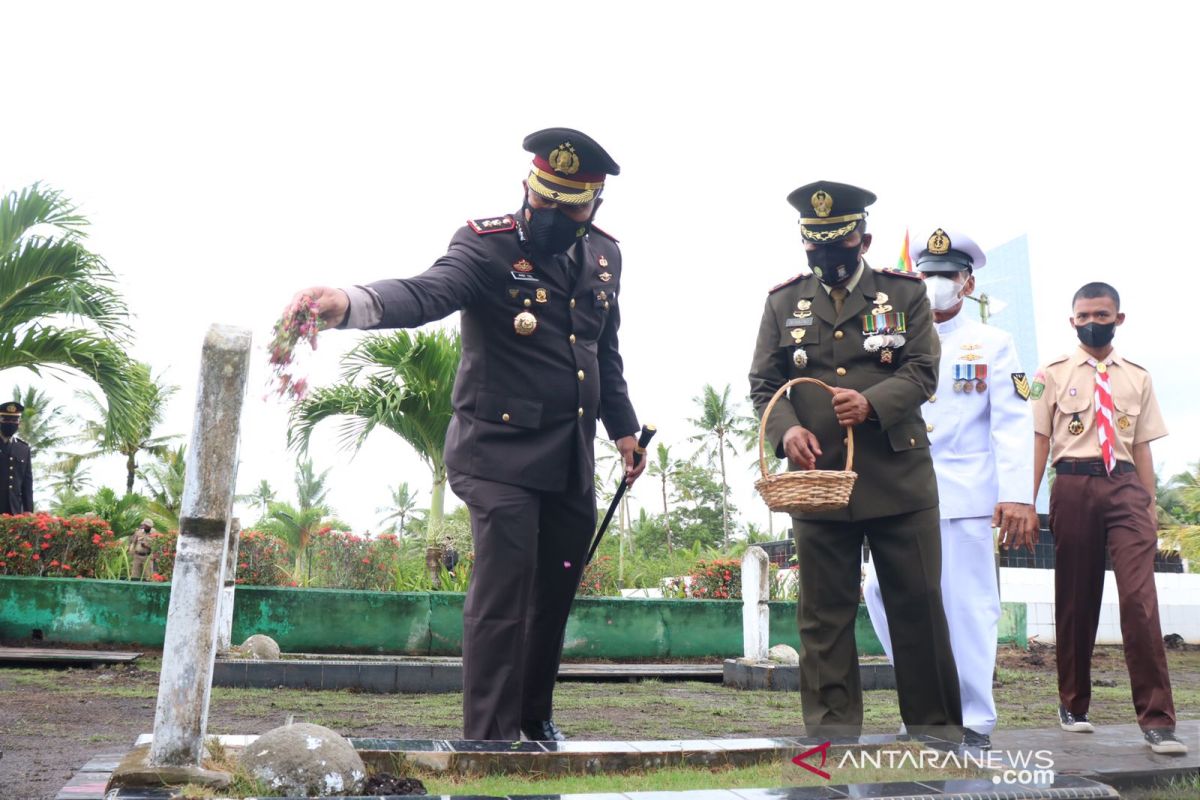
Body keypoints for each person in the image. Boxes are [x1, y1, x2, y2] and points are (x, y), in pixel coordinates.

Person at [285, 128, 644, 742]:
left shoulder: (606, 257)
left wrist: (625, 429)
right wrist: (348, 302)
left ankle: (533, 720)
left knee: (554, 591)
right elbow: (427, 291)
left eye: (571, 204)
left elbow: (602, 349)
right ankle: (490, 738)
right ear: (528, 188)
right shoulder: (485, 246)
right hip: (496, 452)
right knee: (503, 591)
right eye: (546, 197)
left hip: (568, 456)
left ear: (596, 204)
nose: (554, 213)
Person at [748, 181, 962, 740]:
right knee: (823, 618)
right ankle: (832, 735)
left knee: (917, 607)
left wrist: (871, 403)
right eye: (813, 248)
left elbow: (921, 371)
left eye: (836, 247)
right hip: (816, 481)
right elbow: (764, 385)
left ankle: (936, 732)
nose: (824, 259)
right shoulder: (783, 302)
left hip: (897, 477)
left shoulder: (906, 294)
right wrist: (786, 430)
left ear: (862, 241)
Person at [862, 229, 1038, 751]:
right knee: (882, 594)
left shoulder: (994, 342)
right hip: (898, 489)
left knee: (966, 605)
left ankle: (974, 719)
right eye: (926, 275)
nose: (935, 284)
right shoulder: (886, 339)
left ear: (967, 281)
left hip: (962, 494)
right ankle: (929, 702)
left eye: (946, 275)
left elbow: (1011, 422)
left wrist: (1018, 494)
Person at [1032, 282, 1186, 755]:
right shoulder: (1050, 374)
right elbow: (1039, 439)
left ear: (1119, 318)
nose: (1091, 321)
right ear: (1072, 320)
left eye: (1101, 313)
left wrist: (1148, 501)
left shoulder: (1138, 377)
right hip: (1073, 485)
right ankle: (1073, 704)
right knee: (1076, 598)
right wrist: (1024, 499)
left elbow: (1141, 445)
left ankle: (1158, 721)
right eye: (1083, 315)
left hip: (1124, 487)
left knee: (1140, 599)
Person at [0, 401, 34, 515]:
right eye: (6, 419)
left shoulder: (23, 449)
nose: (11, 423)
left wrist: (28, 509)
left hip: (14, 510)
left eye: (14, 420)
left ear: (19, 423)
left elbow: (27, 482)